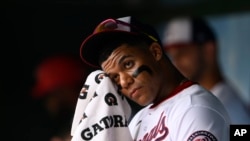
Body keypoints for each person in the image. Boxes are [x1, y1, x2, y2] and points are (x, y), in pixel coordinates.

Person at [78, 16, 230, 140]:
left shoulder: (194, 108)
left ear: (155, 52)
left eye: (128, 64)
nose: (124, 82)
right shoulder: (139, 119)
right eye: (115, 77)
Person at [162, 16, 250, 124]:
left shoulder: (226, 105)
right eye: (172, 55)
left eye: (182, 52)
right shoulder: (209, 101)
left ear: (209, 49)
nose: (176, 61)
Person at [27, 53, 92, 141]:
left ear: (62, 90)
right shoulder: (74, 117)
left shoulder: (97, 109)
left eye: (49, 95)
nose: (47, 102)